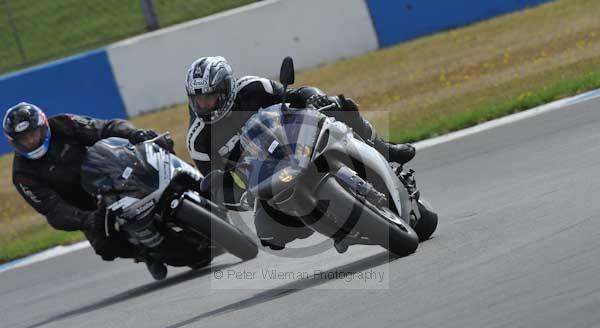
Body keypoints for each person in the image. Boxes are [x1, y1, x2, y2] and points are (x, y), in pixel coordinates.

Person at [185, 56, 416, 250]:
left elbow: (294, 95)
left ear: (226, 88)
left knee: (342, 105)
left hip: (297, 142)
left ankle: (385, 149)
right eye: (198, 99)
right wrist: (242, 197)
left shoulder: (252, 88)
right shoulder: (198, 140)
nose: (204, 105)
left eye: (209, 97)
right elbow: (215, 185)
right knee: (270, 236)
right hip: (267, 179)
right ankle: (338, 229)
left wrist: (314, 98)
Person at [3, 102, 172, 279]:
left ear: (43, 126)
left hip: (110, 172)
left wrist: (132, 133)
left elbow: (104, 128)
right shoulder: (22, 174)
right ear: (15, 142)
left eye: (33, 133)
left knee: (158, 144)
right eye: (24, 138)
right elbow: (52, 209)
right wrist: (85, 220)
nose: (31, 140)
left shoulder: (64, 123)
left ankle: (190, 182)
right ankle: (146, 254)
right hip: (87, 206)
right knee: (104, 246)